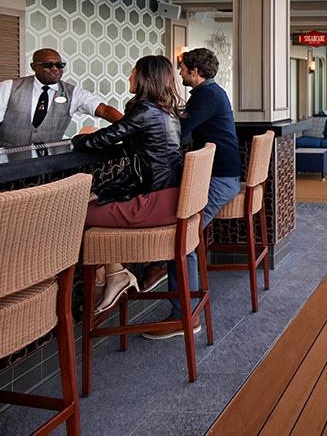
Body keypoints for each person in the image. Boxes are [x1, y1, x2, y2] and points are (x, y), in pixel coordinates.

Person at [72, 55, 184, 317]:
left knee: (76, 215)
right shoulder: (167, 112)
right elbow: (138, 165)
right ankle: (113, 273)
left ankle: (108, 277)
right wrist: (101, 192)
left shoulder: (145, 111)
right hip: (170, 199)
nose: (129, 77)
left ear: (145, 77)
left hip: (154, 203)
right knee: (92, 206)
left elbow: (98, 141)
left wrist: (82, 136)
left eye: (133, 72)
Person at [142, 47, 241, 340]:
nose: (180, 73)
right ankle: (174, 288)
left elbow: (182, 130)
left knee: (182, 238)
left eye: (182, 68)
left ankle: (183, 315)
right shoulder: (210, 93)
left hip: (219, 180)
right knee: (184, 236)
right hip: (223, 176)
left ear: (194, 72)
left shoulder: (205, 95)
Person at [0, 48, 122, 146]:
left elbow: (103, 109)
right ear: (33, 66)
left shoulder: (73, 93)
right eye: (48, 65)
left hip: (49, 162)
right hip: (7, 160)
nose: (55, 69)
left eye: (59, 65)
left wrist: (130, 126)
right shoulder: (8, 87)